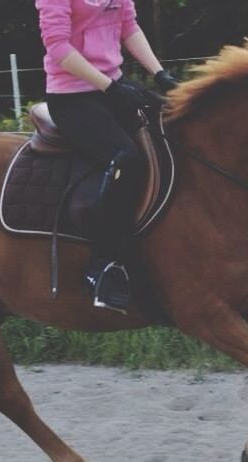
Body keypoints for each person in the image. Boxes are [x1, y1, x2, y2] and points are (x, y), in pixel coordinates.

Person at [36, 0, 178, 313]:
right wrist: (110, 88)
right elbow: (58, 47)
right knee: (126, 158)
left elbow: (129, 27)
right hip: (72, 96)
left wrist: (160, 74)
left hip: (112, 84)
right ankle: (102, 264)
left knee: (176, 133)